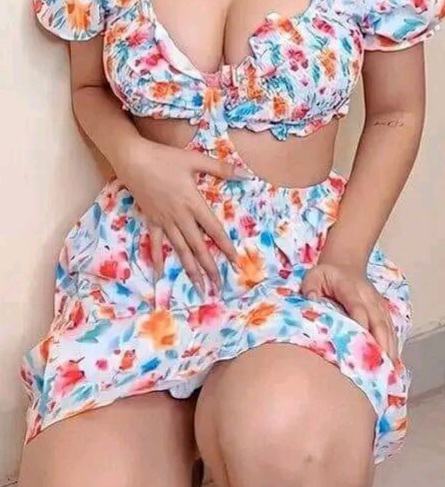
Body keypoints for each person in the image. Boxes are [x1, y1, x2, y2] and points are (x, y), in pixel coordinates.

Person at [19, 0, 444, 486]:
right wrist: (133, 156)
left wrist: (346, 256)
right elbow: (88, 89)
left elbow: (396, 112)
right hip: (142, 268)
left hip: (297, 268)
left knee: (282, 438)